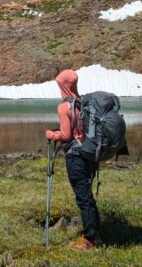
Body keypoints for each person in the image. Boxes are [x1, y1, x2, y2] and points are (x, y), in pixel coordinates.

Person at [45, 69, 100, 251]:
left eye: (60, 84)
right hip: (90, 155)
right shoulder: (86, 102)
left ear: (64, 85)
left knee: (83, 198)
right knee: (88, 196)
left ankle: (90, 241)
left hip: (76, 157)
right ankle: (94, 234)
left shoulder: (64, 107)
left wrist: (52, 134)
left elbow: (66, 135)